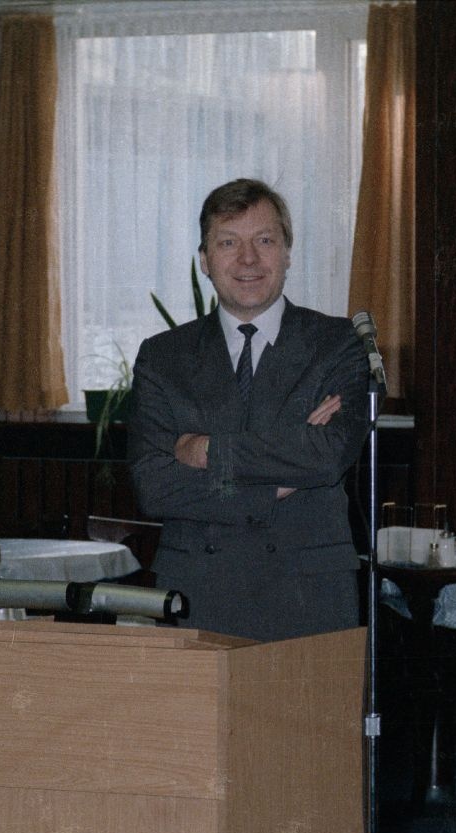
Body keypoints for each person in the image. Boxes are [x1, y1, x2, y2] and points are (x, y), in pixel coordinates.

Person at [129, 178, 370, 641]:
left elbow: (326, 455)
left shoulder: (337, 344)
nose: (248, 259)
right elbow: (154, 487)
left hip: (310, 598)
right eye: (228, 243)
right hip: (200, 594)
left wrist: (206, 450)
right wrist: (275, 483)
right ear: (204, 260)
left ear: (287, 253)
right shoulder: (163, 356)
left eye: (264, 241)